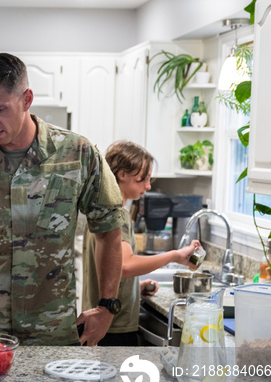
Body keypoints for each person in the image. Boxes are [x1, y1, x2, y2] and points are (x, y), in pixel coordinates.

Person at [0, 52, 125, 347]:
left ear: (27, 99)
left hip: (50, 329)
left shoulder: (78, 155)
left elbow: (109, 231)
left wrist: (107, 306)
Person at [82, 140, 202, 346]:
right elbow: (125, 266)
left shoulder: (99, 210)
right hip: (113, 327)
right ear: (122, 174)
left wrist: (133, 289)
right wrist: (174, 255)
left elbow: (110, 269)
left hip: (99, 322)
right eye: (142, 179)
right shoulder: (117, 215)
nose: (147, 186)